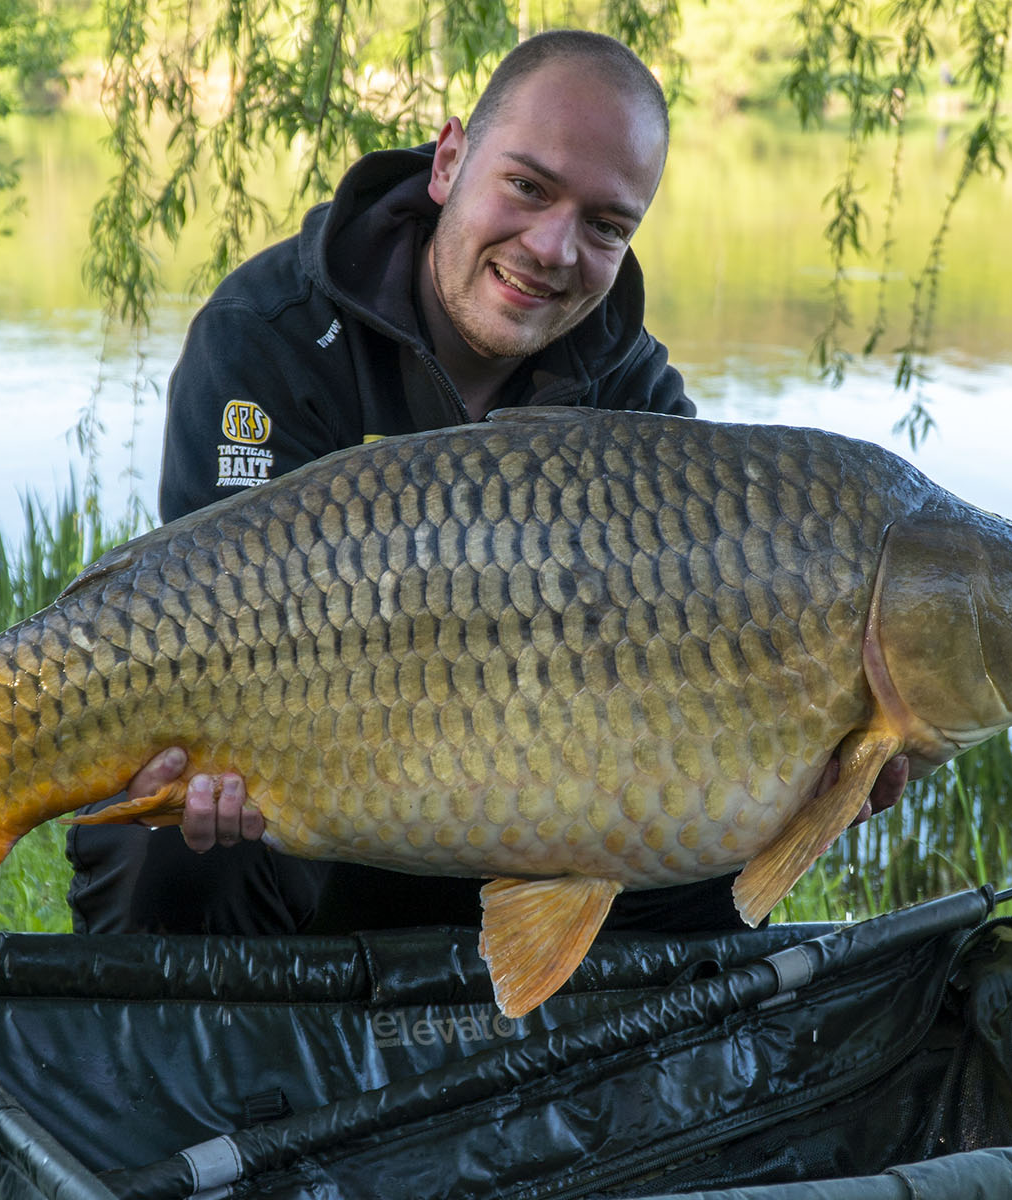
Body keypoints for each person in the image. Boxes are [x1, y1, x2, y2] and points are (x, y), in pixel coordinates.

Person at [66, 29, 908, 939]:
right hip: (304, 810)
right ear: (450, 159)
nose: (552, 247)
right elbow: (196, 617)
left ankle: (560, 1068)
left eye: (605, 225)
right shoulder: (266, 337)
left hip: (511, 811)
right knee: (170, 841)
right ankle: (207, 1076)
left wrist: (806, 772)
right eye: (529, 187)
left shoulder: (638, 401)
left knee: (716, 842)